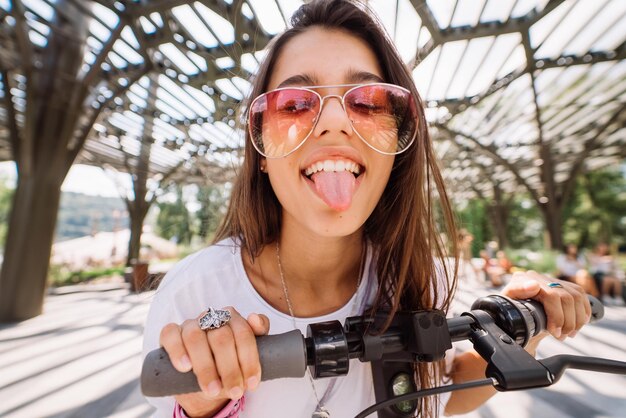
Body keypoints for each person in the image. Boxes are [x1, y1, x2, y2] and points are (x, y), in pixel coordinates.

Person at [142, 1, 592, 417]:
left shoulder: (418, 277)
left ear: (397, 144)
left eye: (368, 102)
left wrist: (522, 330)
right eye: (295, 104)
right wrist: (202, 402)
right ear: (260, 148)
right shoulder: (193, 293)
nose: (335, 121)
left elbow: (448, 389)